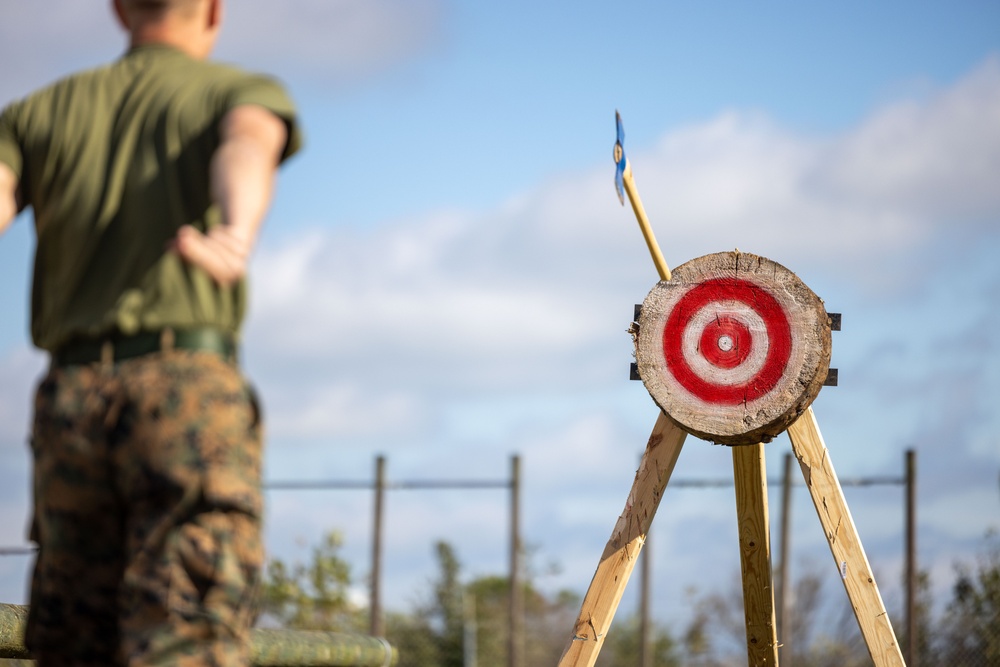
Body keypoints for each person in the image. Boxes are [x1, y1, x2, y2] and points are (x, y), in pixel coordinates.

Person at [0, 1, 302, 664]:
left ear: (118, 10)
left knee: (77, 638)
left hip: (71, 400)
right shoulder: (234, 90)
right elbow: (249, 142)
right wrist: (235, 231)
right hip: (184, 387)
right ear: (214, 11)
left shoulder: (38, 113)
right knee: (187, 630)